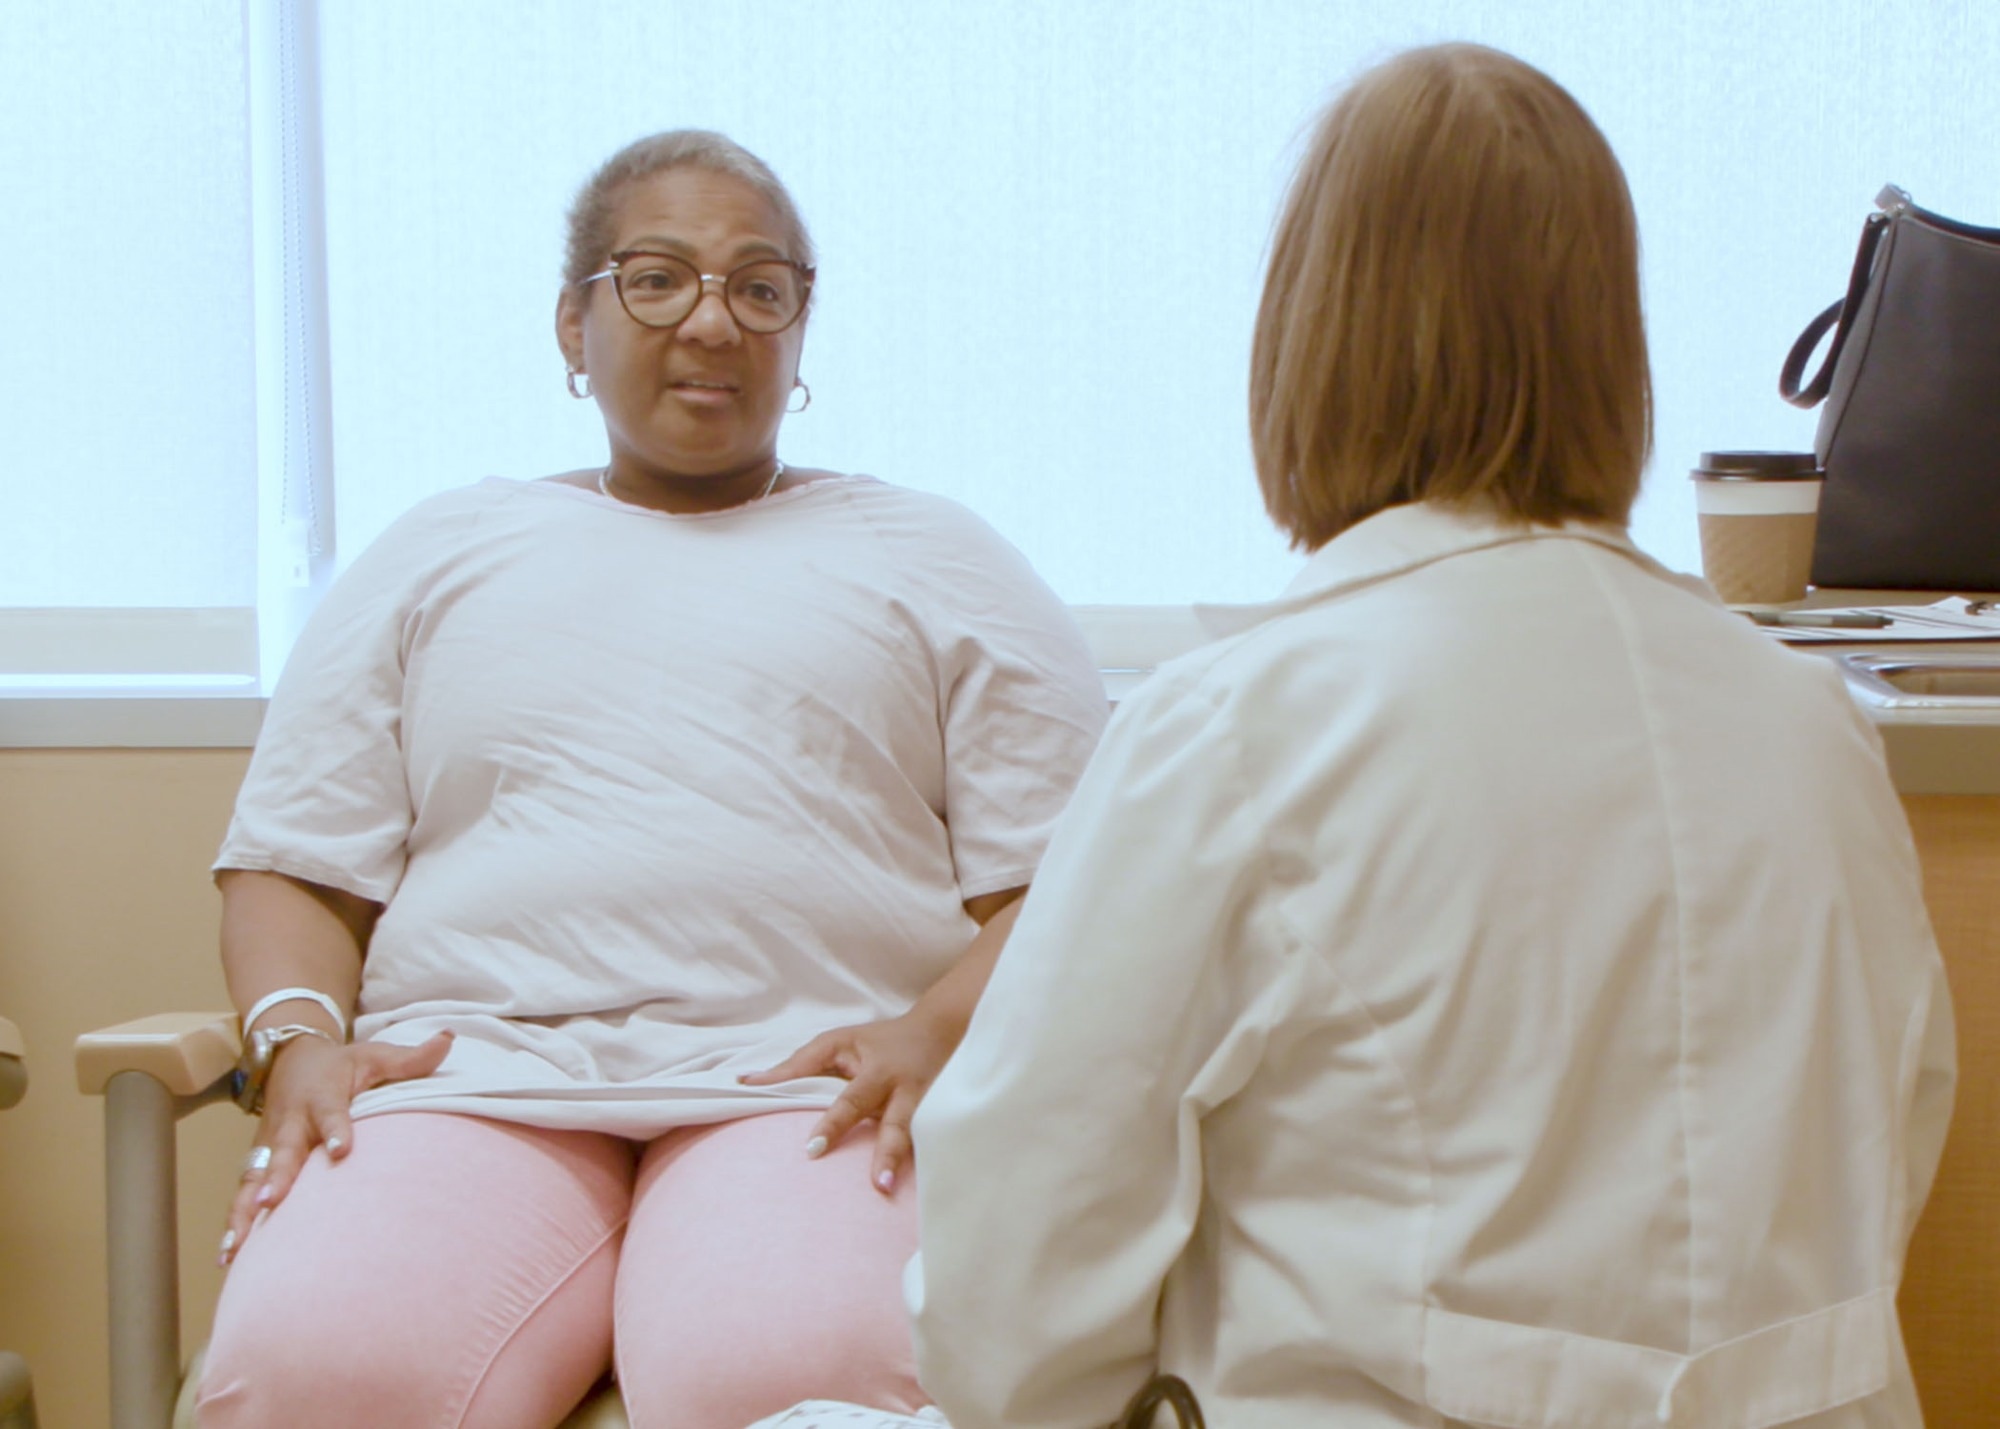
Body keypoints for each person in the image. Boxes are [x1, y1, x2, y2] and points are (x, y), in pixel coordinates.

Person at [908, 43, 1955, 1429]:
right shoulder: (1807, 722)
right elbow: (1896, 1126)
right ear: (1608, 347)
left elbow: (1015, 1288)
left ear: (1309, 337)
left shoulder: (1240, 727)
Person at [195, 130, 1108, 1429]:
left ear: (803, 329)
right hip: (471, 1074)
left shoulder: (938, 558)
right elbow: (296, 860)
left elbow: (1074, 884)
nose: (713, 322)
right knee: (309, 1370)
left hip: (808, 1087)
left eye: (760, 287)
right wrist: (295, 1040)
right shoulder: (442, 549)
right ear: (574, 323)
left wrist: (931, 1031)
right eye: (658, 278)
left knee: (804, 1372)